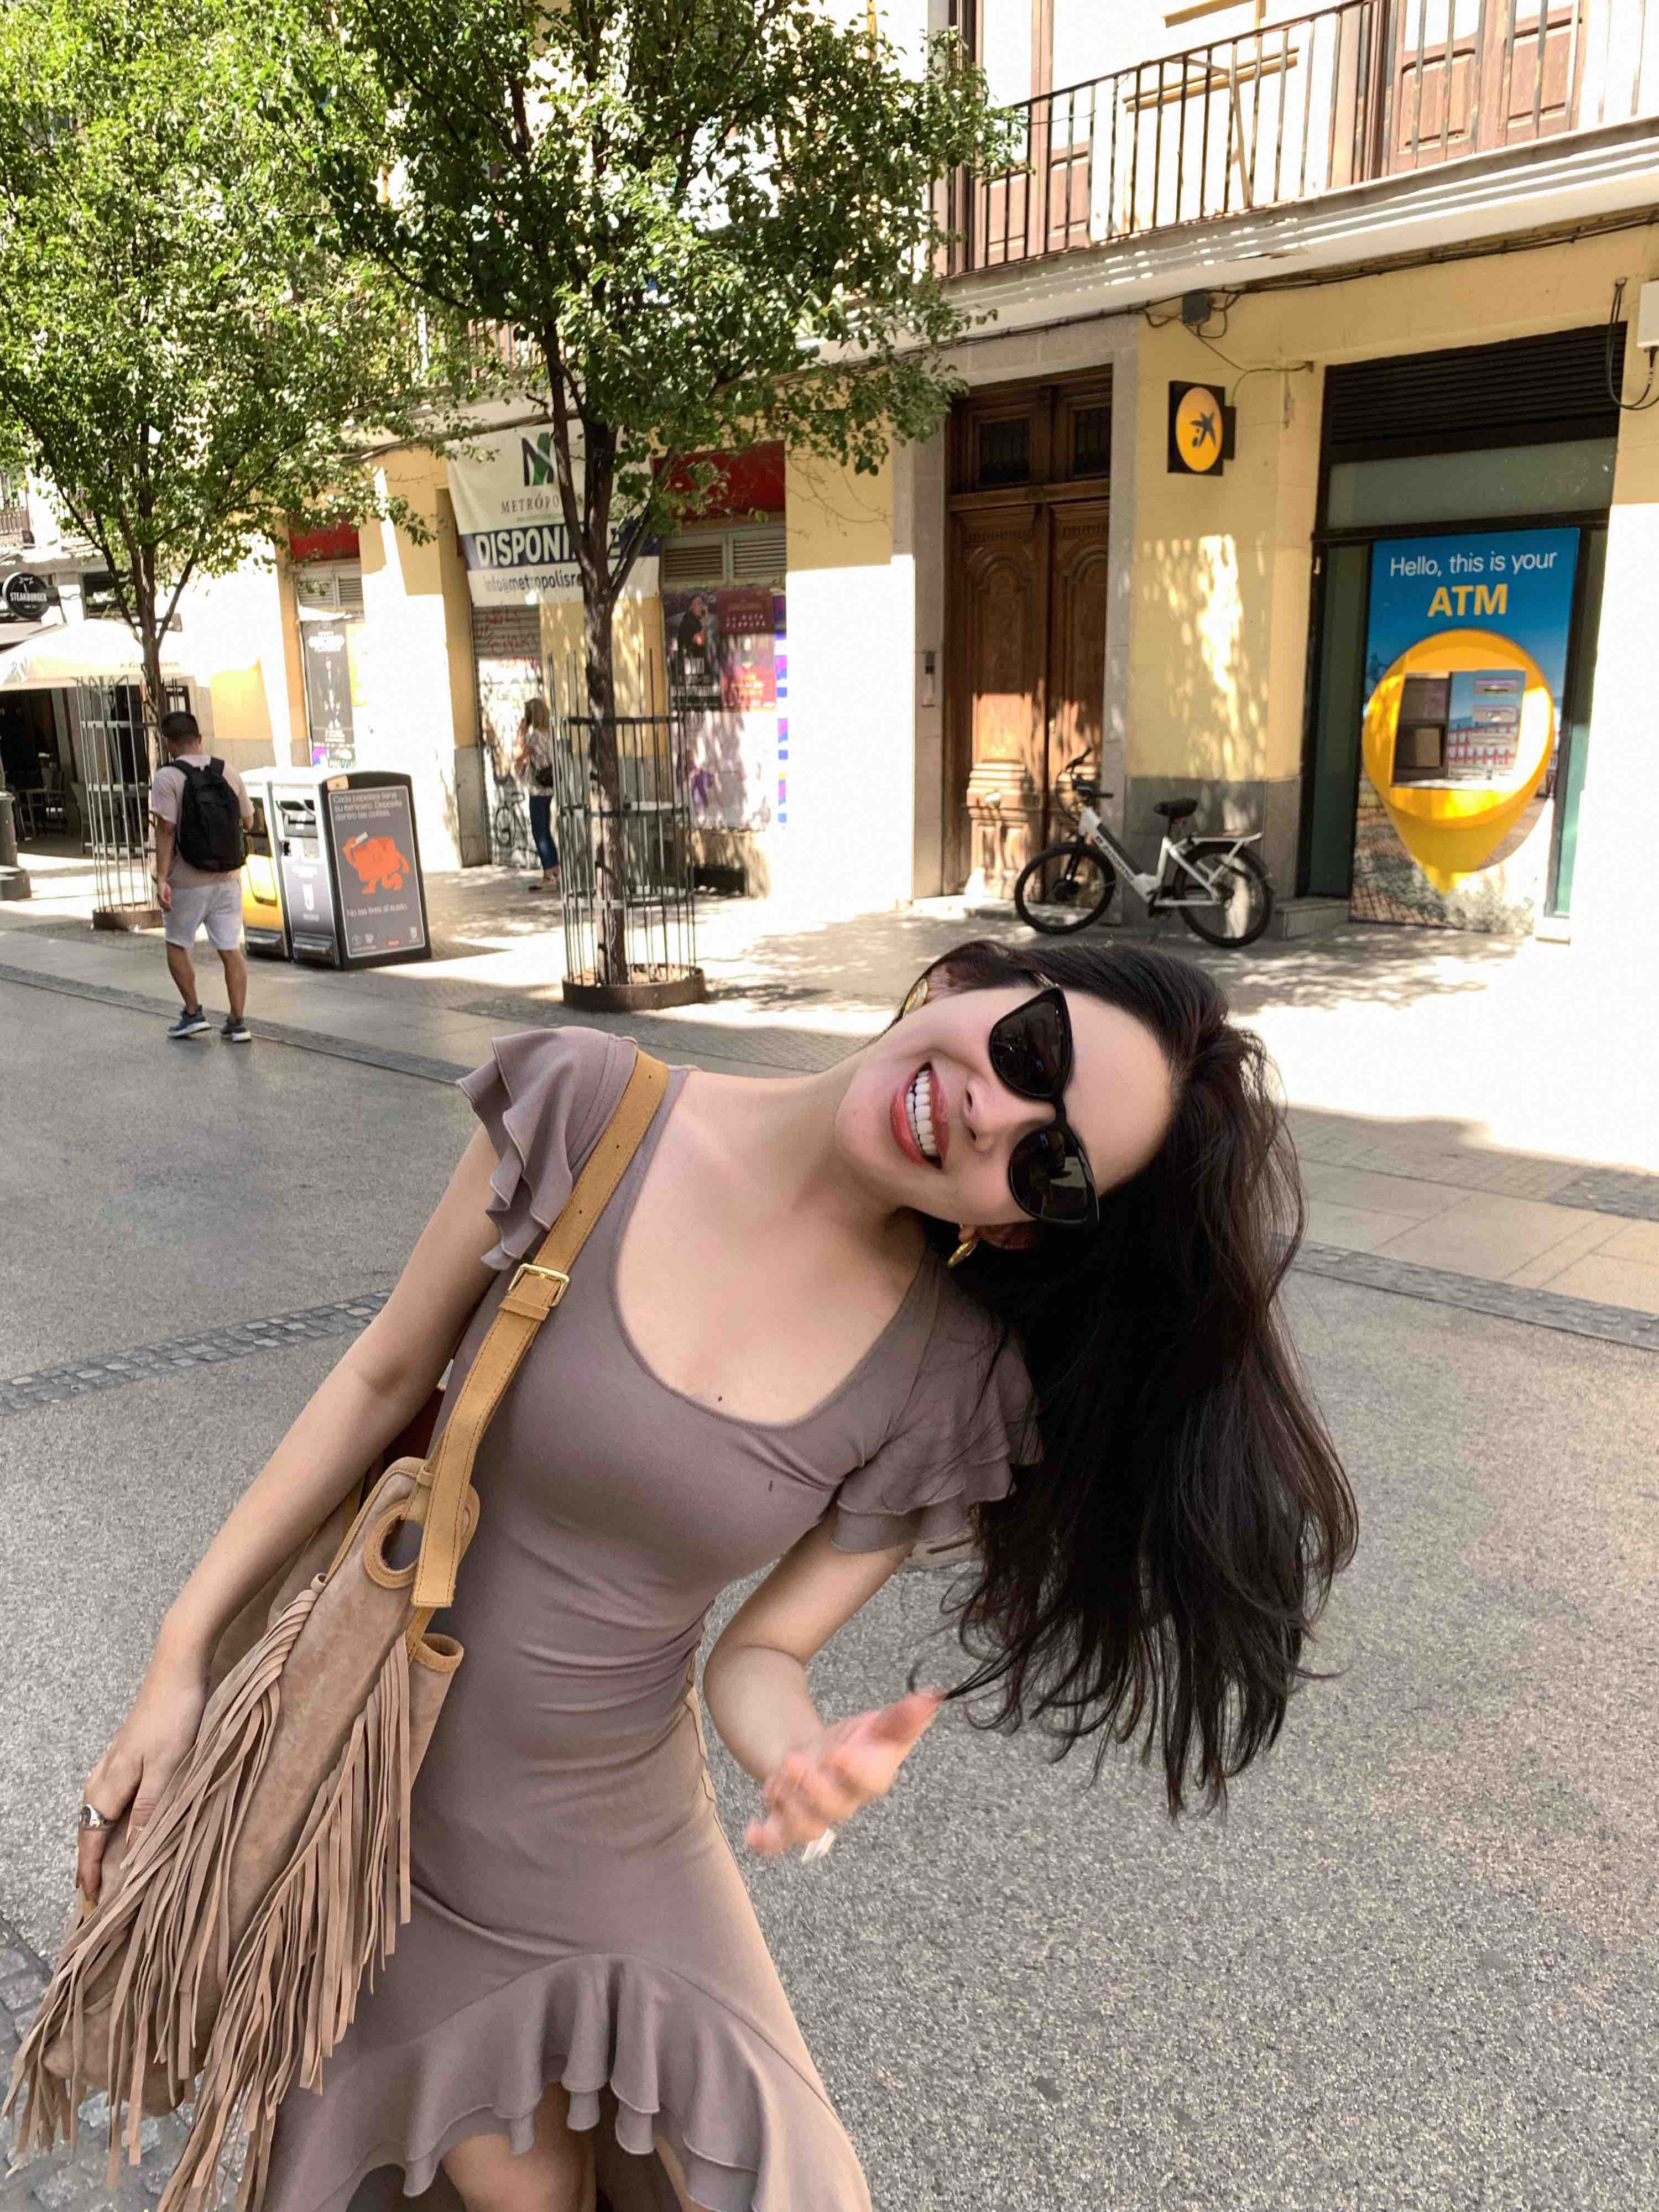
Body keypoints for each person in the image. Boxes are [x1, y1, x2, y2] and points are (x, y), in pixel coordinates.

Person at [74, 939, 1357, 2212]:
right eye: (1033, 1050)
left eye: (1048, 1158)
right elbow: (379, 1376)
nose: (992, 1113)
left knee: (797, 2190)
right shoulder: (585, 1110)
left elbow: (761, 1654)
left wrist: (800, 1756)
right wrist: (180, 1656)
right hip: (392, 1796)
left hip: (622, 1837)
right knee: (520, 2186)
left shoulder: (941, 1376)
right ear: (971, 985)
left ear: (1015, 1225)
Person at [147, 709, 255, 1043]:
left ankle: (193, 1013)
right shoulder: (228, 771)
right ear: (200, 738)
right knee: (230, 949)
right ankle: (237, 1022)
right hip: (227, 878)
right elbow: (249, 822)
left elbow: (166, 829)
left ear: (168, 743)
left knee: (177, 944)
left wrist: (161, 878)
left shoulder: (167, 777)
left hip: (187, 880)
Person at [513, 696, 560, 894]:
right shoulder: (550, 734)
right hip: (549, 788)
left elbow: (518, 756)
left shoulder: (535, 736)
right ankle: (555, 871)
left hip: (538, 790)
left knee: (539, 832)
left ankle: (549, 874)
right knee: (545, 831)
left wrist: (521, 734)